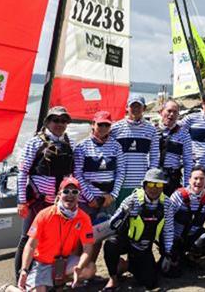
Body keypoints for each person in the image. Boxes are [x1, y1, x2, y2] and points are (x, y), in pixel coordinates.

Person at [15, 106, 75, 279]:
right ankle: (20, 277)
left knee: (52, 241)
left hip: (57, 205)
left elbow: (72, 174)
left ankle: (45, 278)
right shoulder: (35, 142)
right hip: (36, 202)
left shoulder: (69, 144)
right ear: (47, 122)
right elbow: (23, 172)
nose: (59, 124)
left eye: (63, 121)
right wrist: (21, 201)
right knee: (27, 240)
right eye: (55, 120)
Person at [11, 177, 95, 292]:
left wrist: (79, 267)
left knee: (90, 269)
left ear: (79, 196)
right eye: (66, 191)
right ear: (59, 194)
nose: (70, 195)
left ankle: (55, 283)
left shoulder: (84, 218)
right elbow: (30, 245)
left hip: (64, 262)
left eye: (74, 192)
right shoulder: (44, 214)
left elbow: (88, 247)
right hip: (42, 263)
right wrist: (24, 270)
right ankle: (9, 289)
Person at [73, 110, 125, 260]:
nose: (103, 128)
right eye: (100, 124)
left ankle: (91, 266)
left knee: (98, 236)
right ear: (93, 125)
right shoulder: (82, 146)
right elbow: (77, 174)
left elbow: (120, 172)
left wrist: (113, 195)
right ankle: (76, 269)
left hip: (107, 199)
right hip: (86, 200)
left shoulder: (116, 146)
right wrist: (90, 198)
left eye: (106, 125)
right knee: (81, 236)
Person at [103, 169, 167, 289]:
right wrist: (123, 213)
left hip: (144, 247)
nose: (154, 188)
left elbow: (168, 230)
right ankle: (113, 278)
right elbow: (112, 224)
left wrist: (167, 252)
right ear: (144, 185)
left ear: (163, 186)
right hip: (127, 241)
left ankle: (128, 265)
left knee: (150, 283)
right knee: (111, 243)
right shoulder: (131, 200)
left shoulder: (166, 203)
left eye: (158, 184)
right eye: (151, 184)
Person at [162, 166, 205, 275]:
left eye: (202, 179)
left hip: (193, 237)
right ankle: (176, 256)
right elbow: (167, 223)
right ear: (189, 180)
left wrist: (201, 239)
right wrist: (169, 249)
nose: (198, 182)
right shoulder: (177, 196)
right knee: (172, 272)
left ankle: (192, 257)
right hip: (175, 237)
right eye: (195, 178)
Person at [111, 94, 160, 205]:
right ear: (127, 107)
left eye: (139, 106)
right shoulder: (115, 128)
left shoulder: (151, 130)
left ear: (144, 108)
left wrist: (150, 180)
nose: (135, 109)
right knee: (120, 218)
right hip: (120, 184)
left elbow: (155, 156)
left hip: (141, 183)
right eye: (133, 106)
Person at [157, 99, 193, 196]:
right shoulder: (152, 131)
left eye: (175, 112)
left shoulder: (184, 135)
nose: (171, 114)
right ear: (161, 112)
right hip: (154, 177)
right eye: (169, 111)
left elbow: (188, 162)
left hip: (172, 179)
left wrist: (186, 188)